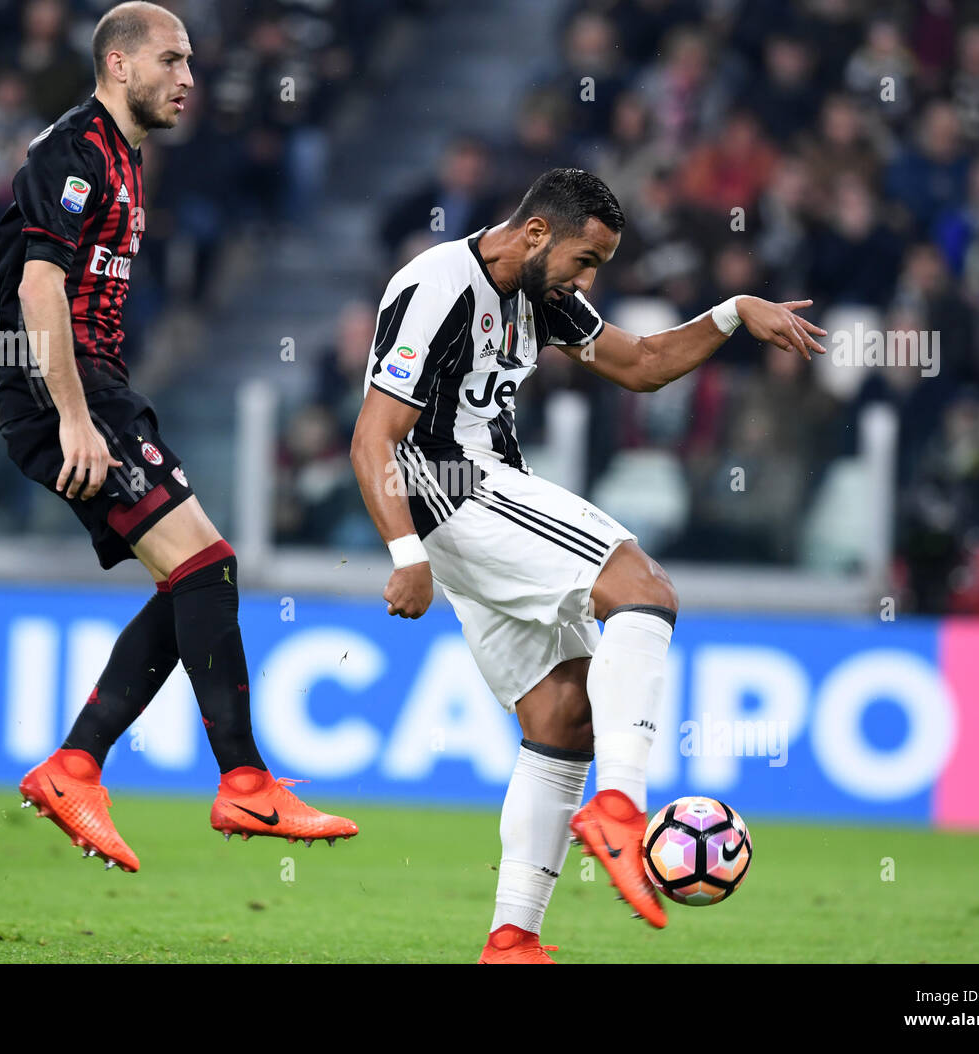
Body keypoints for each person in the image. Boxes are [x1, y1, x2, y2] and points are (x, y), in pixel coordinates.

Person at [350, 168, 824, 962]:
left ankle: (512, 939)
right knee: (643, 588)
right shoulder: (437, 283)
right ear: (538, 233)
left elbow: (641, 363)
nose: (587, 280)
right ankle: (619, 805)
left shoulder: (544, 295)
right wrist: (405, 554)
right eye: (585, 260)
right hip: (451, 485)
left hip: (482, 495)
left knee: (562, 716)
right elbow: (373, 435)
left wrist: (733, 314)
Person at [0, 2, 356, 873]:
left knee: (197, 577)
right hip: (70, 397)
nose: (189, 77)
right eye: (173, 59)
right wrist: (76, 417)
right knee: (205, 568)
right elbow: (37, 290)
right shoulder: (73, 151)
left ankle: (76, 766)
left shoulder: (122, 155)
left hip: (100, 392)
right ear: (119, 64)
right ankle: (240, 782)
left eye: (190, 61)